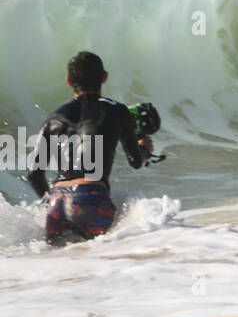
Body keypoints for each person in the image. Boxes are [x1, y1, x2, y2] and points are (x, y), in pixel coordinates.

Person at [26, 51, 156, 246]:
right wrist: (145, 150)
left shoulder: (53, 119)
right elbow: (136, 161)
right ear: (104, 77)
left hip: (57, 201)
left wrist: (48, 202)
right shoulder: (117, 110)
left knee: (59, 271)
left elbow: (34, 174)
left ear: (69, 81)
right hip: (90, 198)